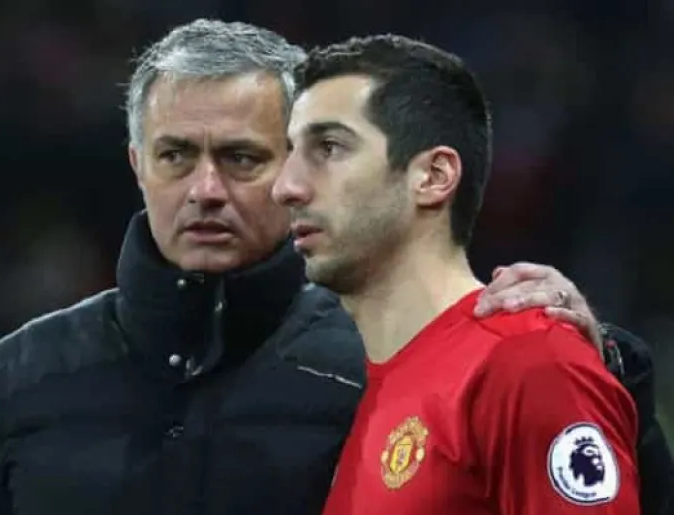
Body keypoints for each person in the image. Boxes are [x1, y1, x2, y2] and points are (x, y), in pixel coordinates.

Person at [0, 20, 671, 515]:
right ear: (137, 164)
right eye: (176, 156)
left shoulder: (394, 365)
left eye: (242, 158)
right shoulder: (11, 382)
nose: (206, 190)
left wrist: (607, 371)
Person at [271, 33, 671, 514]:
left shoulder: (528, 362)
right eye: (290, 152)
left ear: (434, 176)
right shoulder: (355, 391)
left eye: (330, 148)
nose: (286, 187)